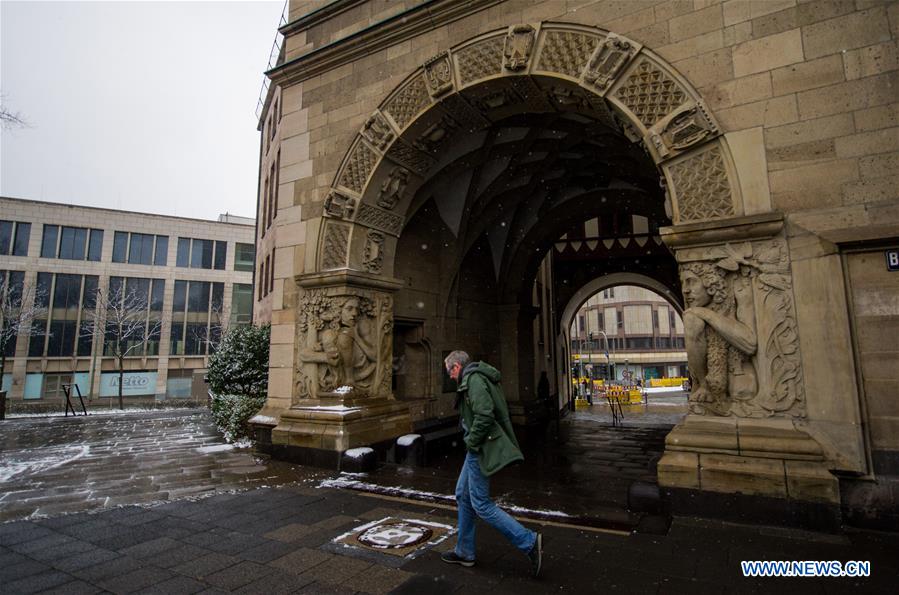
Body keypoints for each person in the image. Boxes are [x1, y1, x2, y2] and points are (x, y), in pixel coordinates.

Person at [441, 350, 543, 577]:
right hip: (475, 448)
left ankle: (528, 541)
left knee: (481, 504)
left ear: (457, 366)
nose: (449, 376)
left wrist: (472, 441)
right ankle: (464, 551)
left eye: (449, 371)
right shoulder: (476, 376)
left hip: (479, 448)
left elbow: (484, 414)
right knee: (462, 494)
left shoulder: (474, 379)